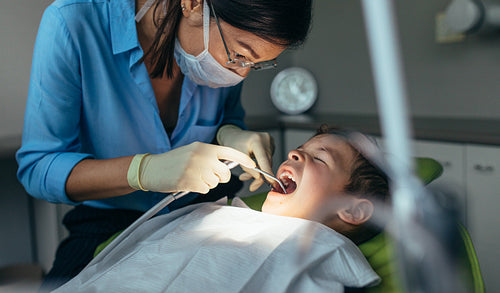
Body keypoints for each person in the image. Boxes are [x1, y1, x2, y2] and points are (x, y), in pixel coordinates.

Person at [15, 0, 312, 290]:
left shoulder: (225, 47)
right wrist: (142, 171)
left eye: (256, 64)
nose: (240, 74)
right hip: (109, 222)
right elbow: (39, 168)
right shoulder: (74, 23)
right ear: (193, 1)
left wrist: (232, 133)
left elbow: (227, 117)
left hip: (203, 210)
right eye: (240, 56)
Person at [53, 125, 390, 292]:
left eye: (319, 158)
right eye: (300, 150)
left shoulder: (325, 250)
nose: (295, 155)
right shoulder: (217, 214)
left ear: (354, 210)